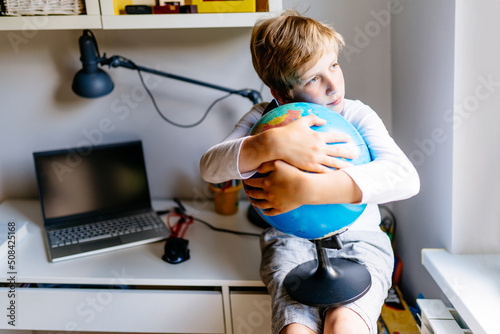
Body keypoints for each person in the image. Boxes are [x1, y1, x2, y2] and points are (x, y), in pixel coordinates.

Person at [199, 9, 420, 334]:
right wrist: (269, 143)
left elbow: (405, 178)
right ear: (279, 92)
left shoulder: (356, 115)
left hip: (361, 239)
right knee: (296, 330)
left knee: (345, 325)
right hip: (289, 241)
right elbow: (210, 168)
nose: (333, 86)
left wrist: (306, 190)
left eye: (333, 65)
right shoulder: (262, 119)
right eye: (313, 78)